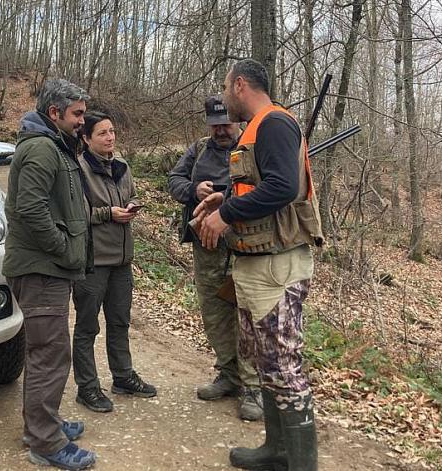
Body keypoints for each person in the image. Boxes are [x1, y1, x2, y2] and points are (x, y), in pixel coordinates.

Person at [193, 60, 324, 471]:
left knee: (283, 364)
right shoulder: (254, 129)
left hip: (278, 267)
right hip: (255, 264)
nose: (225, 94)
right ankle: (276, 450)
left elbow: (284, 187)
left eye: (226, 86)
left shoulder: (275, 124)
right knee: (265, 360)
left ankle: (302, 464)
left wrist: (226, 213)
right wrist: (223, 197)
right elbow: (261, 182)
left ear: (241, 85)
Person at [3, 78, 97, 471]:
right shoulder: (43, 148)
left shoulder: (53, 144)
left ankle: (42, 425)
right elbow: (30, 209)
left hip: (47, 269)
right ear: (54, 113)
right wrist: (62, 249)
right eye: (77, 114)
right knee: (49, 354)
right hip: (42, 269)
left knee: (45, 351)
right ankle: (45, 442)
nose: (82, 121)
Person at [167, 95, 263, 421]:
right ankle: (228, 374)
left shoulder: (252, 147)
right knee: (213, 311)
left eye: (226, 123)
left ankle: (253, 386)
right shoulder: (197, 149)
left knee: (247, 314)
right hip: (206, 245)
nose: (221, 130)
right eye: (215, 125)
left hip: (243, 244)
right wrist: (195, 190)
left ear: (237, 121)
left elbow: (263, 188)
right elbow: (174, 181)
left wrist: (226, 198)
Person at [72, 111, 157, 413]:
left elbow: (130, 195)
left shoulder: (122, 166)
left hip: (122, 260)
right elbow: (77, 216)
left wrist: (131, 206)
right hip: (93, 262)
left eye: (112, 132)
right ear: (86, 138)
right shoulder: (78, 171)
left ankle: (122, 377)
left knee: (120, 321)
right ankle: (88, 387)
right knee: (86, 326)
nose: (110, 138)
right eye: (102, 133)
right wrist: (110, 213)